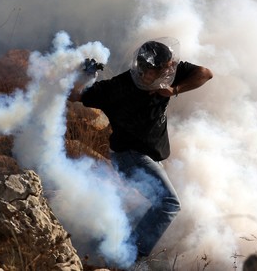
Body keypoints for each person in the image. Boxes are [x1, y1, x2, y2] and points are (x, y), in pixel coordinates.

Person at [69, 38, 213, 259]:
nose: (169, 72)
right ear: (145, 68)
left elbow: (205, 73)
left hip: (150, 155)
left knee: (141, 209)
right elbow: (75, 95)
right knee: (168, 203)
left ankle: (106, 246)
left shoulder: (167, 76)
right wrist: (84, 76)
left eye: (169, 68)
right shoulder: (117, 87)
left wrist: (175, 89)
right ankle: (133, 258)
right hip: (130, 155)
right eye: (162, 70)